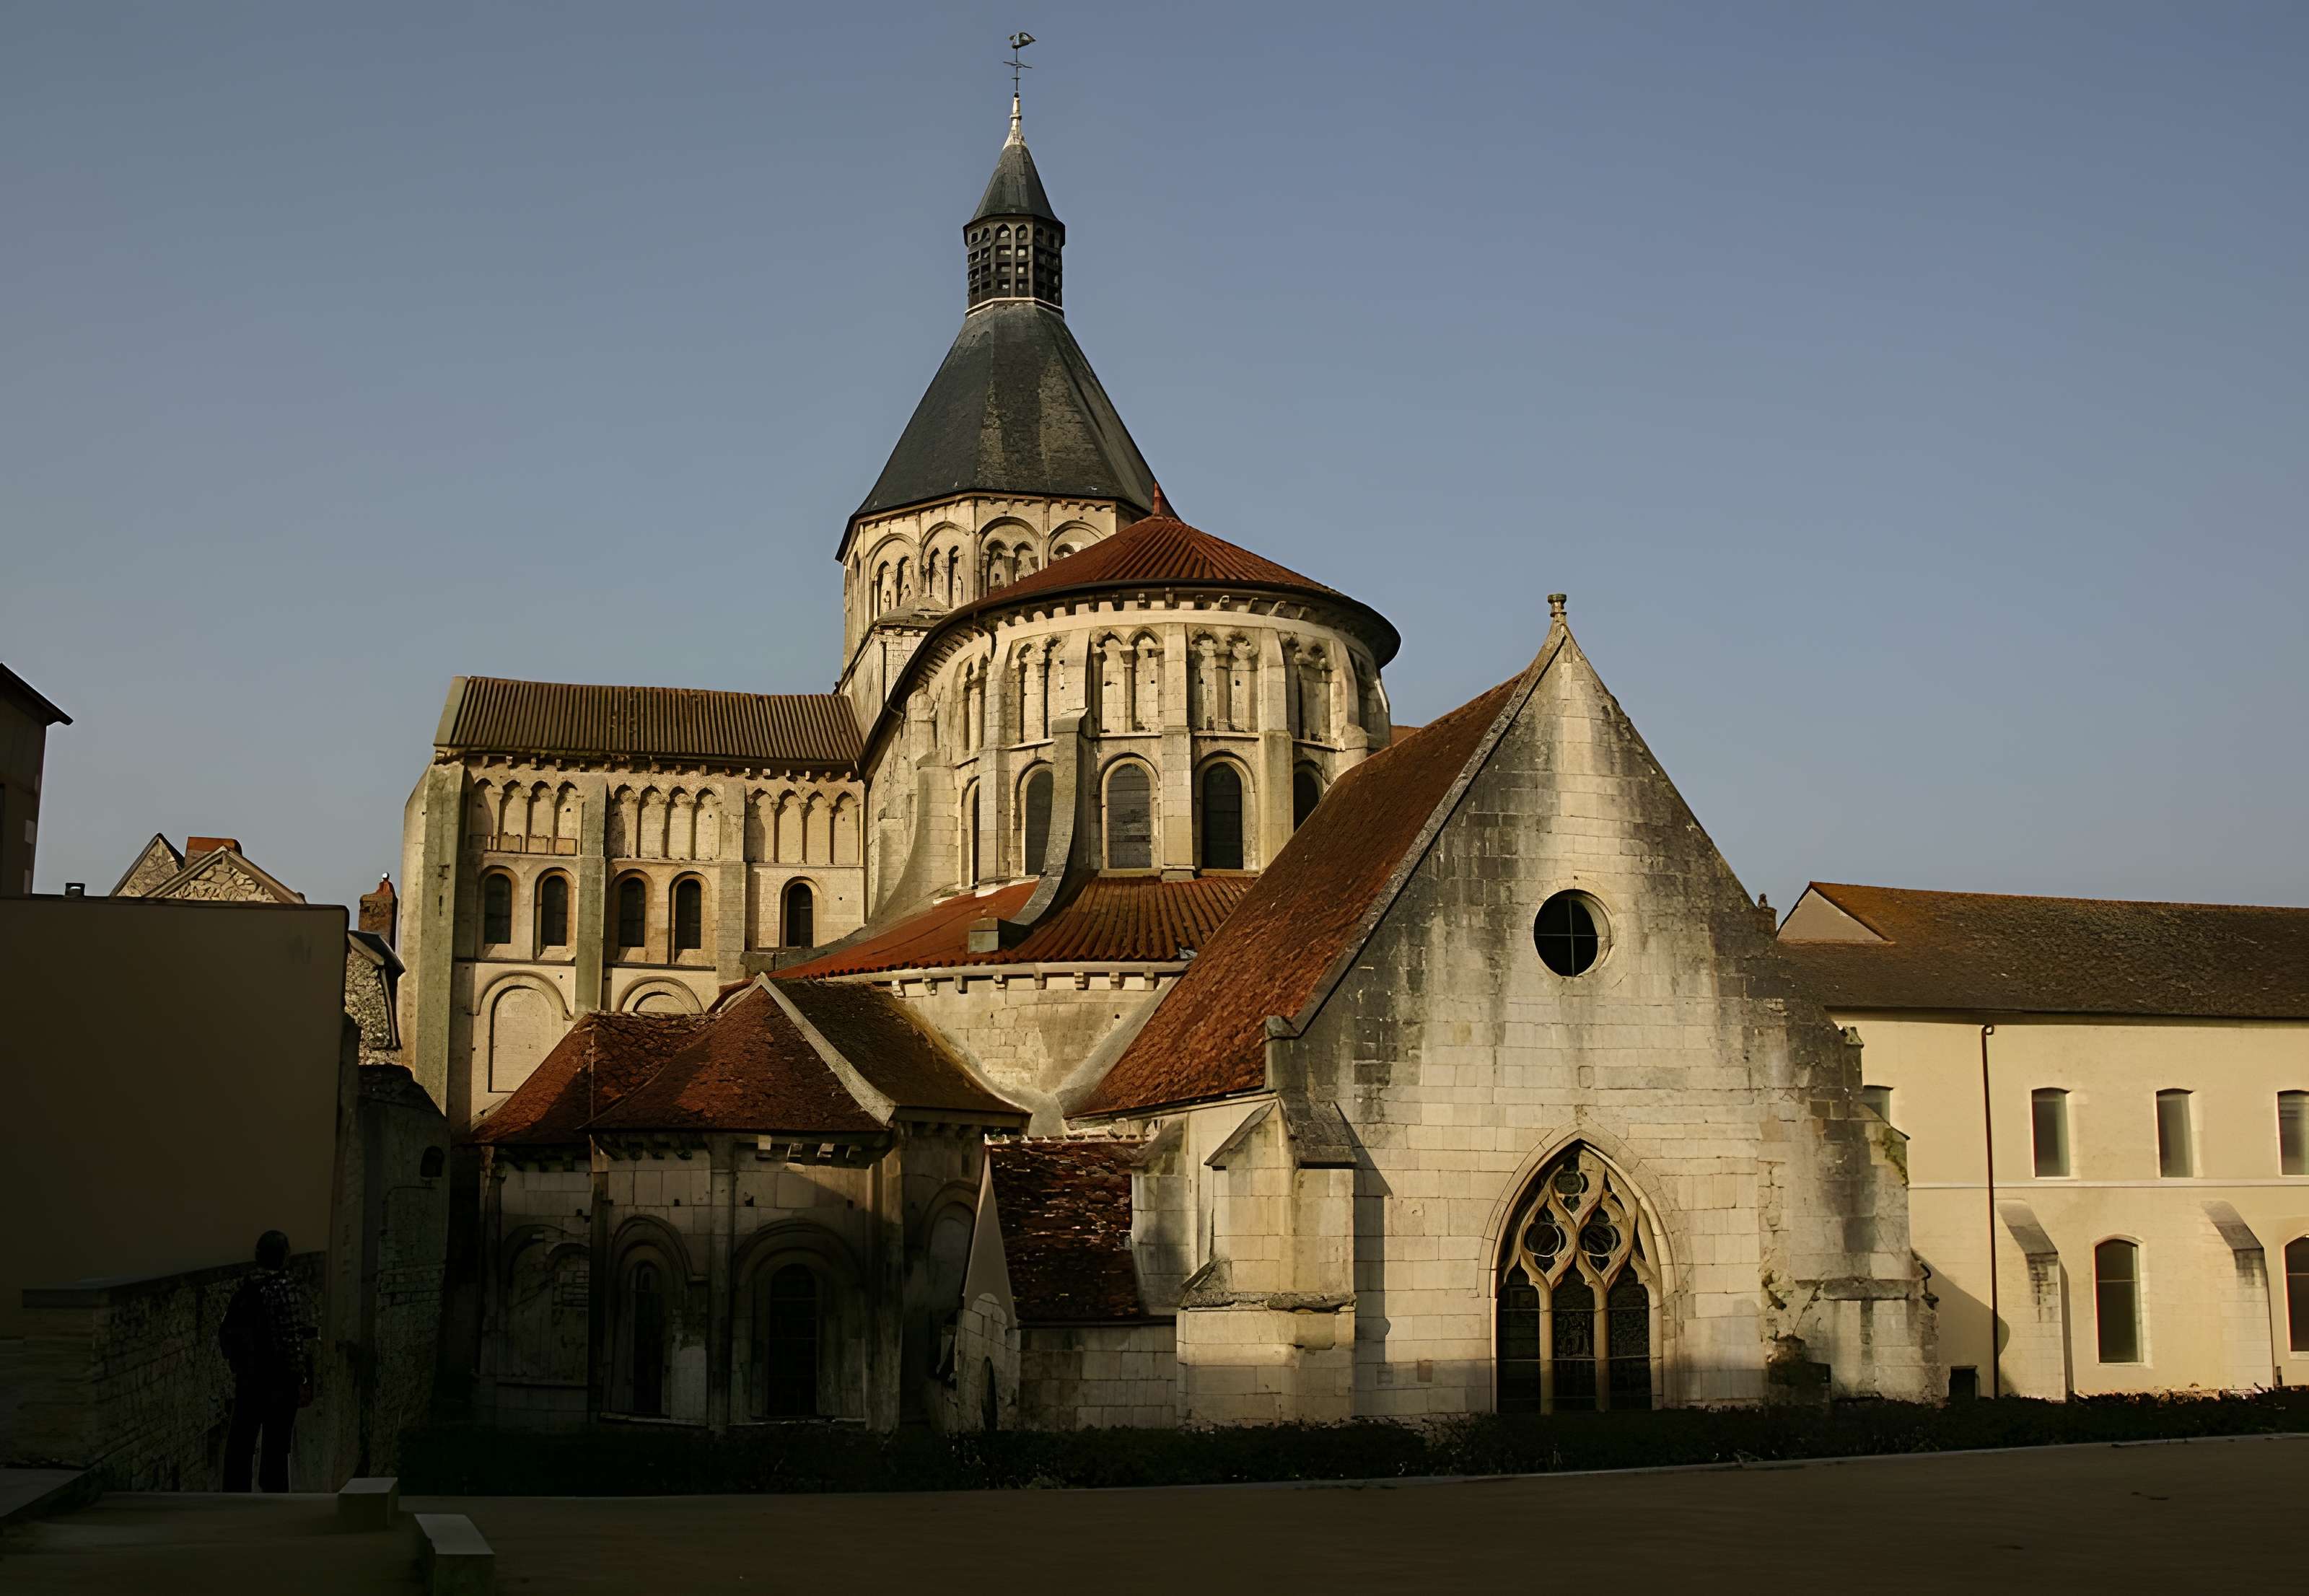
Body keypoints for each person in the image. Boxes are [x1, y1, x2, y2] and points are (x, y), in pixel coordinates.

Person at [217, 1229, 317, 1492]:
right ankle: (274, 1497)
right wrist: (303, 1379)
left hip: (249, 1379)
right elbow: (291, 1341)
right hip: (279, 1382)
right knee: (276, 1446)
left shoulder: (246, 1289)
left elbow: (227, 1334)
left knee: (241, 1443)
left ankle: (234, 1494)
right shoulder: (284, 1289)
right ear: (284, 1257)